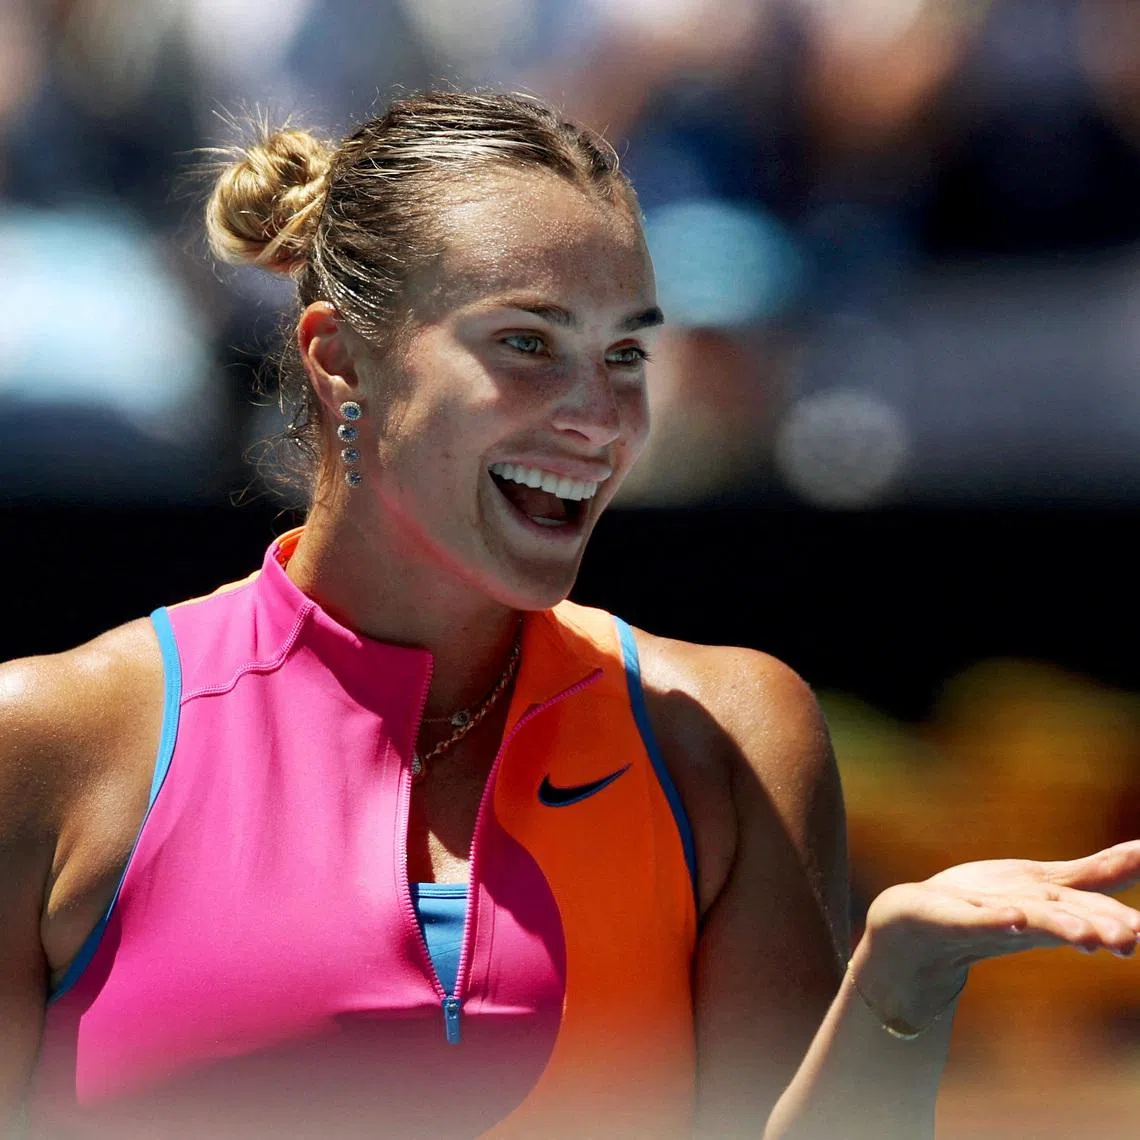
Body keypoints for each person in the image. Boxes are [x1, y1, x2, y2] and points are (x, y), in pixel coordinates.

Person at [2, 91, 1139, 1140]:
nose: (600, 420)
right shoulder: (49, 742)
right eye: (529, 344)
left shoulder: (732, 735)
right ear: (342, 359)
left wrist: (897, 993)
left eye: (627, 353)